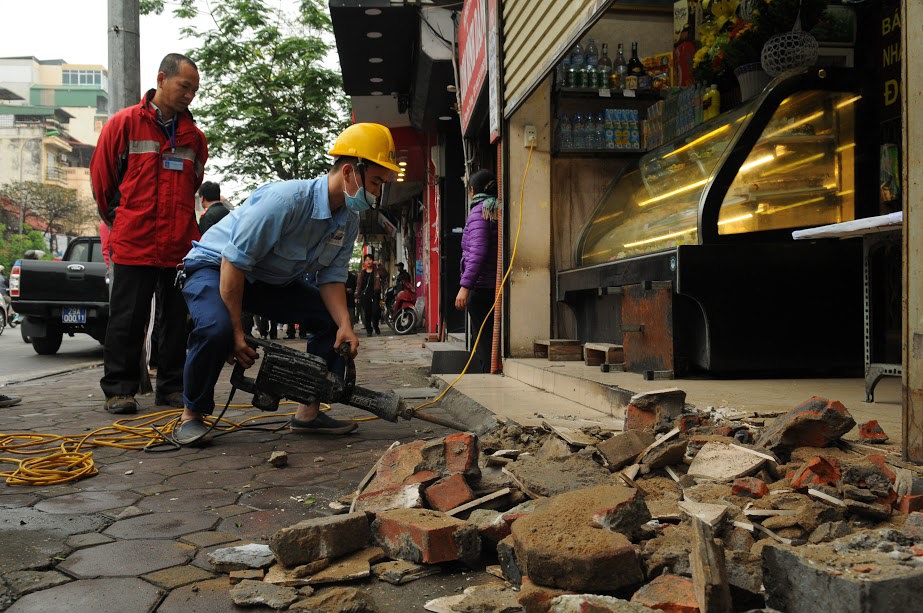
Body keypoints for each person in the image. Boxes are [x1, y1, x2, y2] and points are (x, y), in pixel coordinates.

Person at [172, 122, 400, 446]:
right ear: (350, 172)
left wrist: (345, 325)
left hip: (264, 279)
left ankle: (309, 412)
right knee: (216, 329)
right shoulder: (285, 200)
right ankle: (191, 415)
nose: (377, 193)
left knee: (328, 319)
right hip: (214, 267)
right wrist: (237, 333)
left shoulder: (347, 221)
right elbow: (233, 263)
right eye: (375, 182)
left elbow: (332, 279)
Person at [90, 53, 208, 415]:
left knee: (176, 321)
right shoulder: (123, 124)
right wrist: (122, 219)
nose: (189, 95)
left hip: (178, 244)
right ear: (161, 79)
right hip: (135, 241)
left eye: (194, 90)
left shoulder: (194, 137)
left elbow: (195, 183)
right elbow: (102, 182)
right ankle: (119, 390)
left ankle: (171, 387)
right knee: (127, 318)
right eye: (184, 86)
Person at [455, 169, 499, 374]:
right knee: (488, 336)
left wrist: (465, 286)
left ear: (472, 190)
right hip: (493, 284)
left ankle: (488, 377)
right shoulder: (497, 209)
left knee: (483, 338)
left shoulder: (479, 212)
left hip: (481, 286)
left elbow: (478, 252)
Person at [355, 254, 381, 337]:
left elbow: (385, 275)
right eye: (366, 260)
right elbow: (359, 285)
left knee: (376, 311)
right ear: (364, 262)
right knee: (367, 313)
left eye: (370, 259)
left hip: (375, 295)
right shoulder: (362, 273)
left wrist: (379, 265)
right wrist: (357, 296)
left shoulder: (377, 271)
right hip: (365, 296)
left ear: (373, 261)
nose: (368, 261)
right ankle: (369, 330)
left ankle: (376, 326)